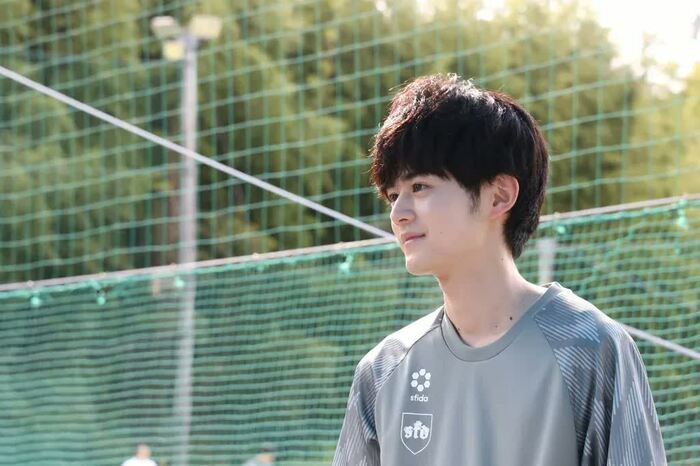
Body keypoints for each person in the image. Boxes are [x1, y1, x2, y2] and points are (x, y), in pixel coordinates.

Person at [332, 74, 666, 465]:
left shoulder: (589, 347)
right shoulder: (383, 369)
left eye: (419, 186)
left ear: (499, 196)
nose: (398, 213)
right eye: (393, 195)